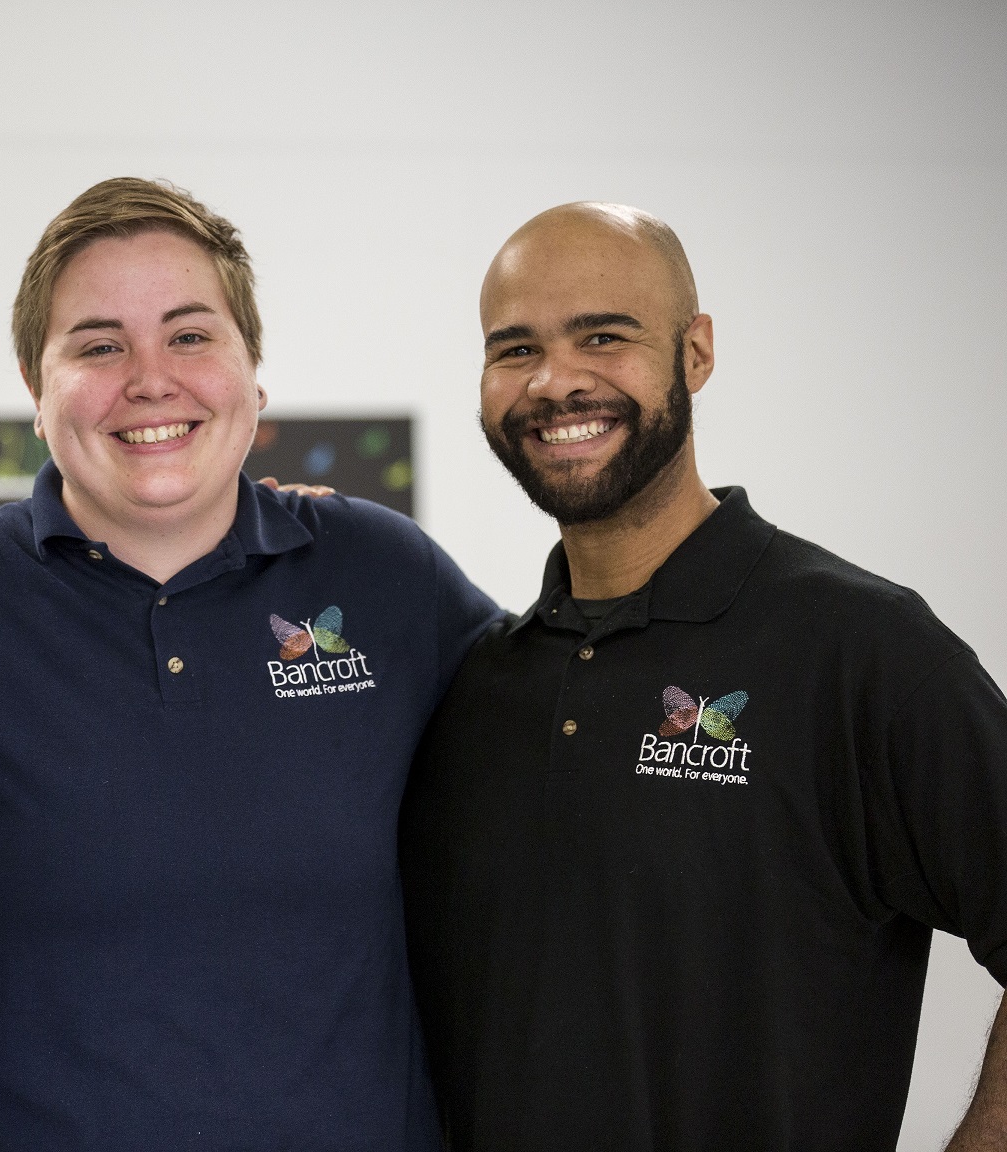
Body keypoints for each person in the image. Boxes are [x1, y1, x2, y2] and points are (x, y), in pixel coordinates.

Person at [0, 177, 499, 1150]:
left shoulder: (384, 577)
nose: (150, 377)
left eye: (191, 334)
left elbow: (556, 760)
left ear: (256, 377)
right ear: (38, 396)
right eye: (97, 344)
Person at [399, 201, 1007, 1150]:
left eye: (603, 335)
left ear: (696, 353)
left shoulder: (862, 650)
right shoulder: (479, 687)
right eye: (514, 349)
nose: (555, 381)